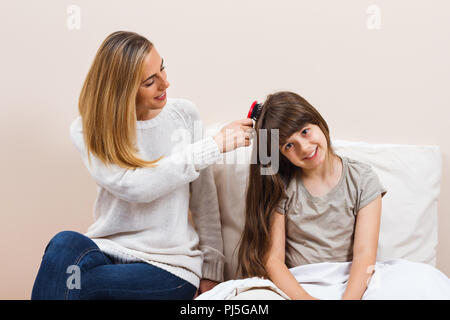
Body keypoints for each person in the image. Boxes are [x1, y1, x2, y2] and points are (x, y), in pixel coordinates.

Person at [31, 31, 253, 300]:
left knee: (78, 285)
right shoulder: (88, 130)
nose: (166, 84)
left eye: (163, 69)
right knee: (63, 243)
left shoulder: (184, 115)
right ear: (123, 91)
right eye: (151, 82)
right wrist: (213, 146)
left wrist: (211, 271)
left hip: (169, 268)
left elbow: (204, 202)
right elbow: (135, 186)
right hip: (108, 251)